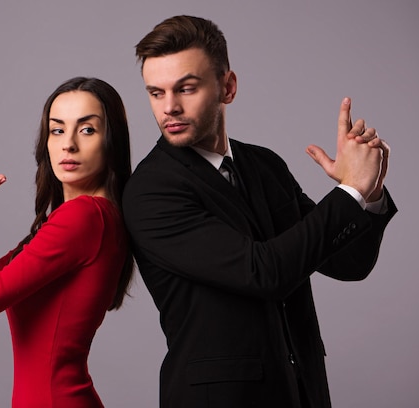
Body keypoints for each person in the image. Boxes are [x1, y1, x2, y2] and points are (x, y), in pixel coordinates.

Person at [122, 15, 397, 408]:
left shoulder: (265, 165)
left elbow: (349, 263)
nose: (170, 107)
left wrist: (368, 191)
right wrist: (349, 189)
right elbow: (264, 272)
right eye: (156, 92)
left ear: (227, 87)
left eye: (186, 88)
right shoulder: (150, 191)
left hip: (301, 392)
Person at [0, 77, 133, 408]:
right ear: (46, 141)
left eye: (87, 130)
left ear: (111, 142)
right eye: (57, 130)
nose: (68, 144)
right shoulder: (86, 218)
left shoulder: (84, 217)